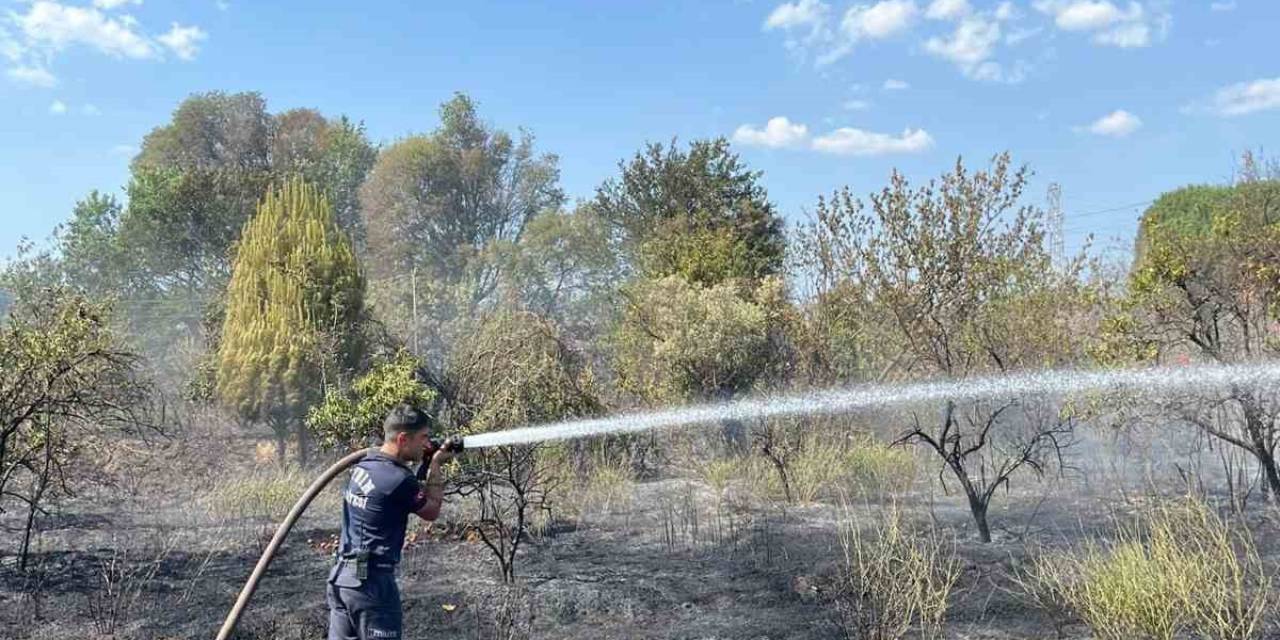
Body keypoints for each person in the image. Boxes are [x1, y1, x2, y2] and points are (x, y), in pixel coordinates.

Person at [327, 403, 457, 640]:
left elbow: (395, 492)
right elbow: (432, 511)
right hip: (372, 587)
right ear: (403, 438)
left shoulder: (365, 465)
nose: (427, 444)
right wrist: (436, 464)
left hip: (342, 580)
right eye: (423, 438)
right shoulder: (398, 480)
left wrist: (424, 461)